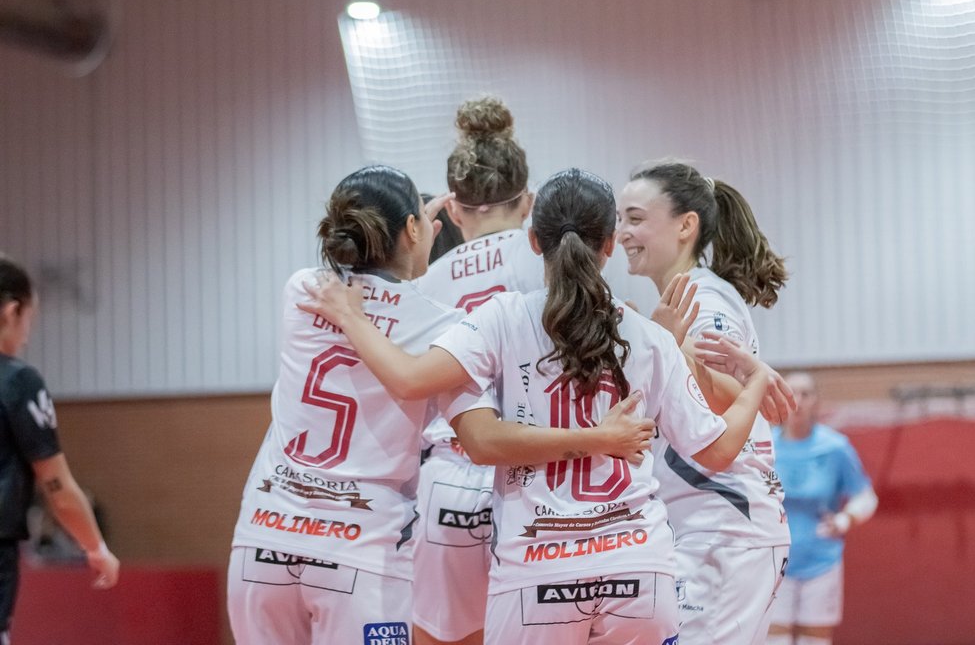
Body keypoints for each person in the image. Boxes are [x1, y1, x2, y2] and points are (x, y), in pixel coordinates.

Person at [299, 167, 796, 645]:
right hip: (637, 566)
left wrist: (356, 315)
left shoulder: (498, 318)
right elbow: (718, 449)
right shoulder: (649, 333)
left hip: (537, 567)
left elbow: (445, 410)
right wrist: (754, 381)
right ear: (607, 245)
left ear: (534, 240)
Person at [227, 165, 651, 645]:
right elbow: (472, 425)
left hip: (264, 533)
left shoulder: (305, 289)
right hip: (359, 545)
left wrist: (408, 234)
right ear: (413, 228)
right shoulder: (441, 325)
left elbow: (376, 287)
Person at [615, 159, 791, 645]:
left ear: (685, 225)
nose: (622, 233)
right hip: (703, 525)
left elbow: (730, 399)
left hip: (723, 526)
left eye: (635, 218)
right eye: (619, 219)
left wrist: (667, 348)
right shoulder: (683, 300)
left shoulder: (703, 302)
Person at [412, 97, 543, 645]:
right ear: (529, 202)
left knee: (442, 636)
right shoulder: (549, 261)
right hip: (535, 472)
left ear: (453, 211)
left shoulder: (427, 278)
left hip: (449, 474)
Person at [0, 256, 120, 644]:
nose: (27, 336)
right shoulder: (17, 382)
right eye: (29, 320)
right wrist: (96, 548)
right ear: (11, 312)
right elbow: (58, 487)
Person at [767, 373, 877, 645]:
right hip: (774, 560)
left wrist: (845, 519)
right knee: (775, 639)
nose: (798, 401)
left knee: (813, 640)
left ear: (816, 401)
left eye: (806, 394)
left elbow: (865, 496)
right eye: (792, 394)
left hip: (821, 560)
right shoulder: (765, 447)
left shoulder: (835, 447)